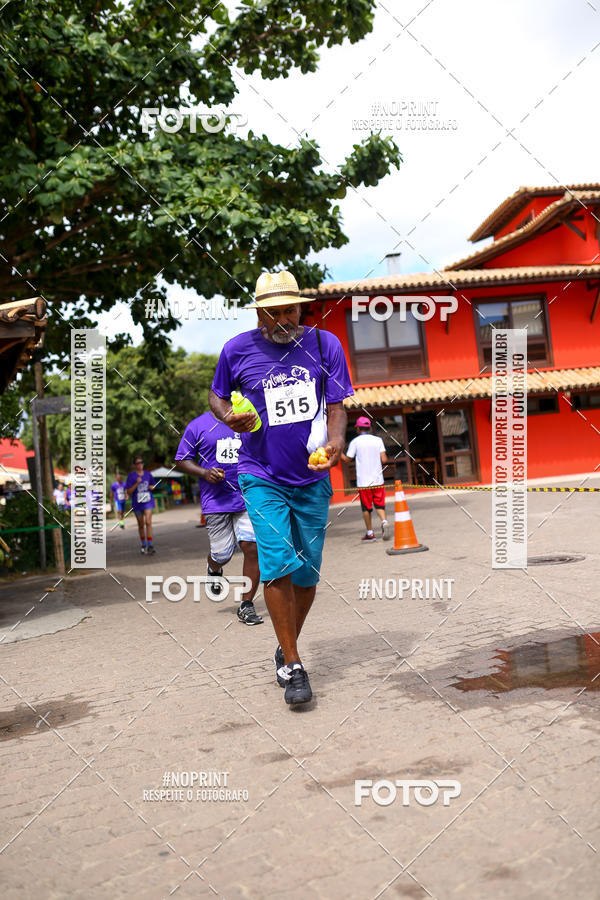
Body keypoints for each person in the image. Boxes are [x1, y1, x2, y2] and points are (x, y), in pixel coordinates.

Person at [209, 270, 354, 705]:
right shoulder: (236, 351)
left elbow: (336, 407)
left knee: (307, 574)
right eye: (274, 312)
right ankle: (293, 665)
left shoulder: (326, 345)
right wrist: (225, 417)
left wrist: (336, 442)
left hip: (312, 477)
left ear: (300, 309)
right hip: (260, 474)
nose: (283, 318)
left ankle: (284, 643)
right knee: (276, 563)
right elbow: (216, 396)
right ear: (260, 315)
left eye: (290, 310)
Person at [174, 411, 263, 625]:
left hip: (246, 496)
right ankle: (214, 567)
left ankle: (246, 605)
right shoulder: (198, 425)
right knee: (223, 553)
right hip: (215, 502)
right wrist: (204, 473)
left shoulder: (248, 419)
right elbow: (181, 460)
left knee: (252, 547)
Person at [342, 416, 391, 541]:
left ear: (358, 428)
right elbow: (384, 459)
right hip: (378, 480)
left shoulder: (355, 442)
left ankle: (370, 533)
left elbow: (347, 460)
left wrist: (338, 454)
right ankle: (384, 522)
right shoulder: (378, 440)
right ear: (369, 428)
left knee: (366, 507)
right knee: (380, 505)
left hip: (363, 482)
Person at [125, 457, 156, 554]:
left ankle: (150, 544)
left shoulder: (148, 474)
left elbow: (153, 485)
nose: (140, 464)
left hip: (148, 501)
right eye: (138, 463)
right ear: (134, 465)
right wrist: (136, 483)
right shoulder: (131, 476)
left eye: (141, 462)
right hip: (137, 503)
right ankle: (143, 544)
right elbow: (128, 491)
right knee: (141, 525)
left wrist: (152, 487)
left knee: (148, 522)